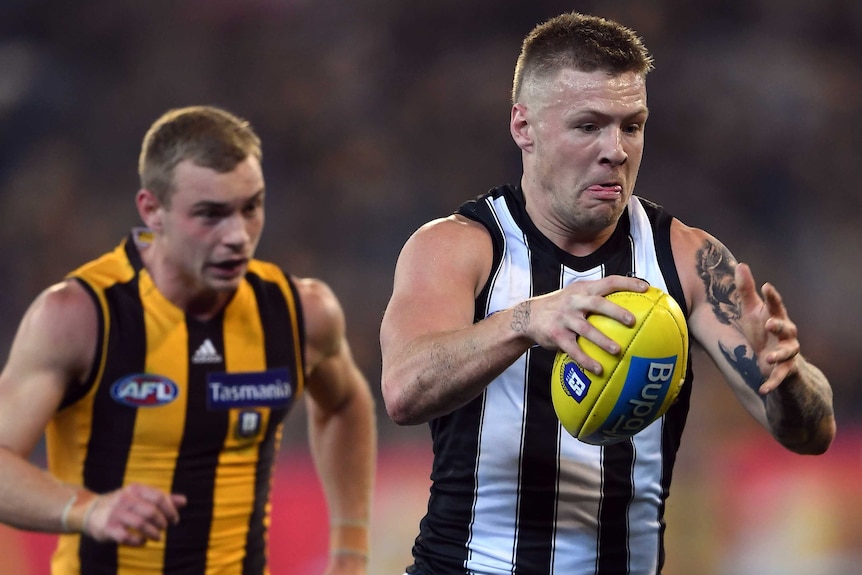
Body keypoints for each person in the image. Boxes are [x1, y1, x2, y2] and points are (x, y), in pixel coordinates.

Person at [380, 11, 835, 575]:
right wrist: (523, 321)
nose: (615, 150)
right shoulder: (459, 248)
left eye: (632, 125)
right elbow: (403, 390)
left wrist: (787, 379)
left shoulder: (688, 259)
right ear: (524, 126)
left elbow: (810, 434)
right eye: (588, 125)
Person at [0, 105, 377, 574]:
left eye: (251, 207)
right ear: (151, 210)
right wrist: (88, 509)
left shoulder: (300, 312)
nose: (237, 235)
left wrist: (350, 549)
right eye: (210, 215)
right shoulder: (79, 318)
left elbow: (345, 404)